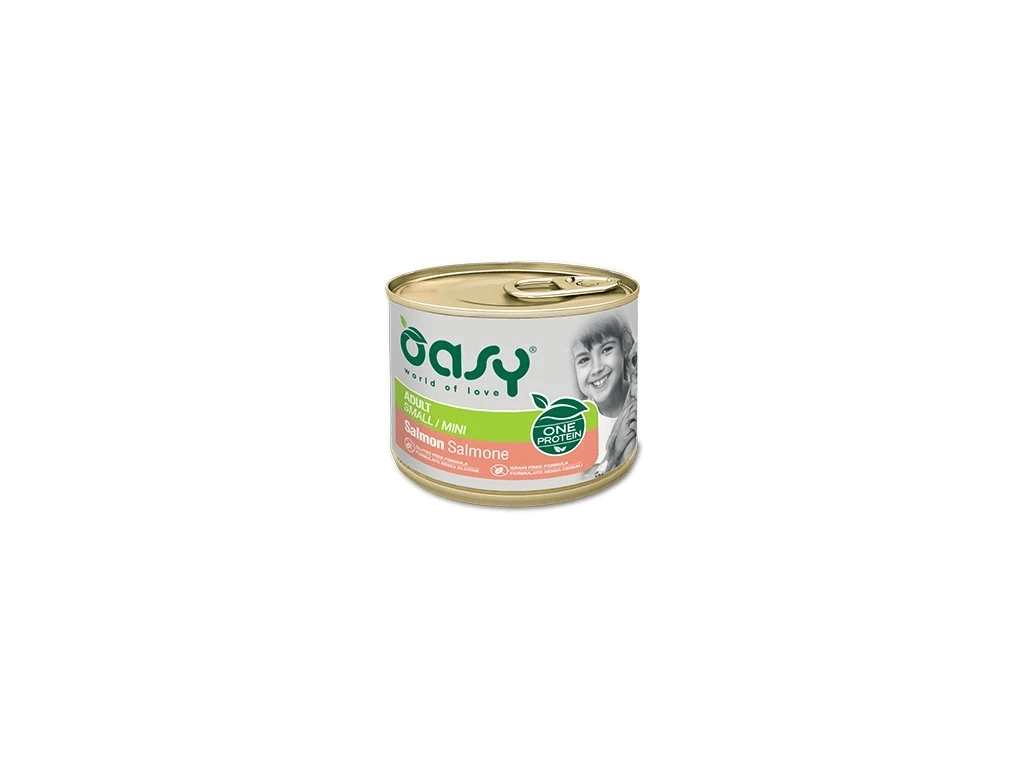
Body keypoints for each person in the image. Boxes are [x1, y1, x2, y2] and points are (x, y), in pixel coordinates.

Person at [571, 316, 637, 478]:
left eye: (606, 350)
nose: (597, 368)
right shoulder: (577, 419)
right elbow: (581, 476)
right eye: (584, 359)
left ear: (624, 350)